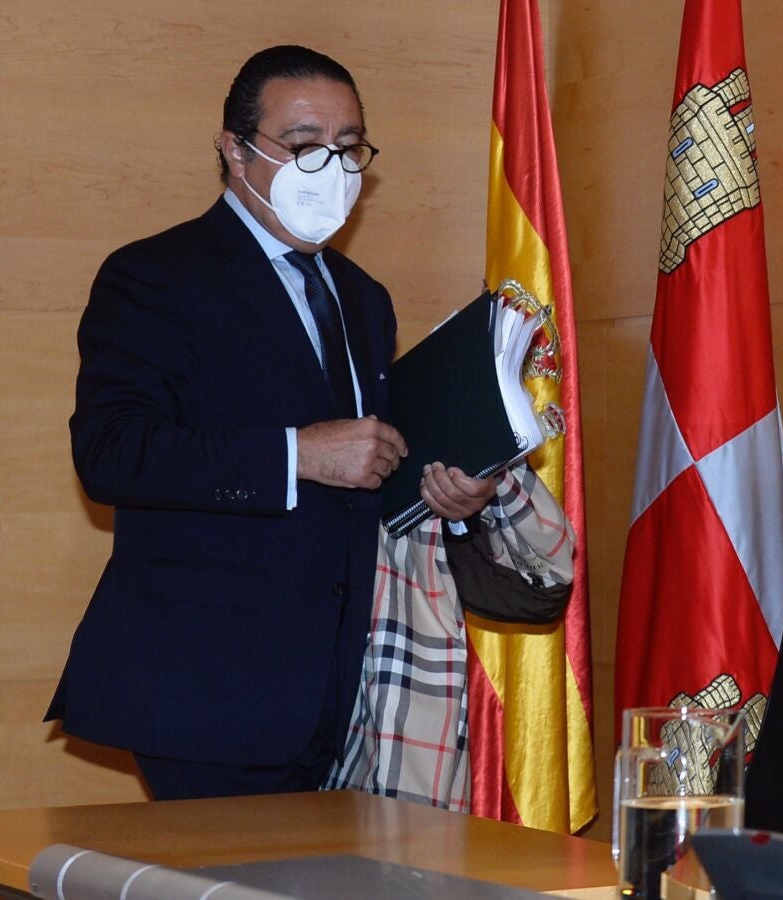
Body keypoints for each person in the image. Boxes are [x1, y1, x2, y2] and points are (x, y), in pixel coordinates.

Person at [47, 45, 498, 801]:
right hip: (205, 691)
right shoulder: (154, 276)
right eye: (303, 145)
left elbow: (367, 471)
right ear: (235, 149)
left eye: (348, 147)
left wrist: (448, 497)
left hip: (343, 693)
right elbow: (111, 452)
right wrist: (296, 455)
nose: (332, 168)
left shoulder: (364, 297)